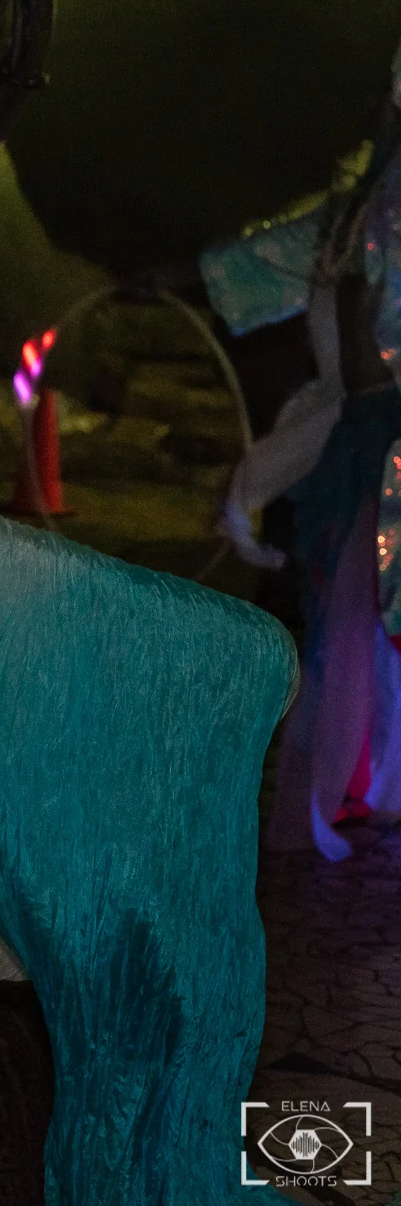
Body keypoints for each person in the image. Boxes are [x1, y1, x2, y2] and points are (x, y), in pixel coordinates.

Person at [201, 43, 401, 858]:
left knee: (375, 610)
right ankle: (355, 784)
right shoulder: (351, 213)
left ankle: (371, 783)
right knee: (347, 613)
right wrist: (170, 279)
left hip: (383, 429)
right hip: (356, 430)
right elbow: (262, 259)